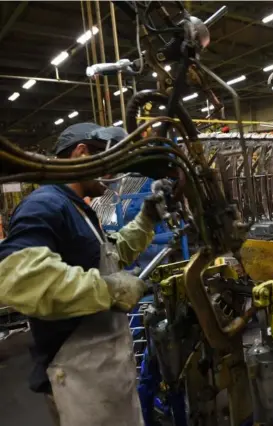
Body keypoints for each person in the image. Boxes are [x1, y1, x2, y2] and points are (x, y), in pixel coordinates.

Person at [0, 122, 169, 425]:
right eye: (109, 163)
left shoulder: (78, 209)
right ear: (81, 153)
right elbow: (17, 276)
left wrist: (147, 219)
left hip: (105, 372)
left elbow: (109, 255)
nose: (113, 175)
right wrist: (109, 290)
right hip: (81, 379)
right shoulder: (46, 203)